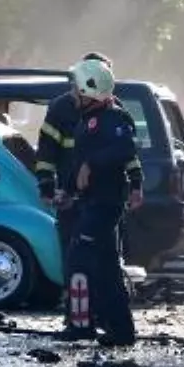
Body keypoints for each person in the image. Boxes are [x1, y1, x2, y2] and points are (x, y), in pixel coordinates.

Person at [59, 59, 144, 346]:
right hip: (90, 202)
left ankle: (81, 326)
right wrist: (67, 190)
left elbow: (125, 148)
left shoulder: (114, 118)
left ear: (90, 90)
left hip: (105, 204)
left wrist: (94, 166)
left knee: (79, 259)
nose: (73, 94)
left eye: (77, 89)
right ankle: (121, 331)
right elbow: (78, 164)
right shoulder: (86, 123)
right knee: (107, 267)